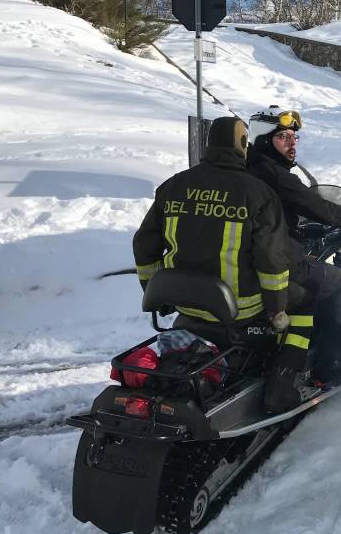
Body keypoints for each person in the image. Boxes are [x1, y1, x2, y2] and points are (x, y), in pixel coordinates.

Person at [133, 116, 312, 414]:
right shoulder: (258, 194)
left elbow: (144, 244)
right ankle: (282, 384)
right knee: (307, 302)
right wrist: (276, 309)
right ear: (243, 145)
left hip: (184, 302)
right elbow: (272, 261)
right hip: (239, 307)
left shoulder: (174, 186)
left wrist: (153, 291)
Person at [247, 107, 341, 384]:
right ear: (263, 139)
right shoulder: (272, 173)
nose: (292, 143)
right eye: (284, 137)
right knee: (338, 282)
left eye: (294, 138)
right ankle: (329, 365)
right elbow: (317, 206)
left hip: (245, 257)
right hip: (274, 259)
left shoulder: (245, 169)